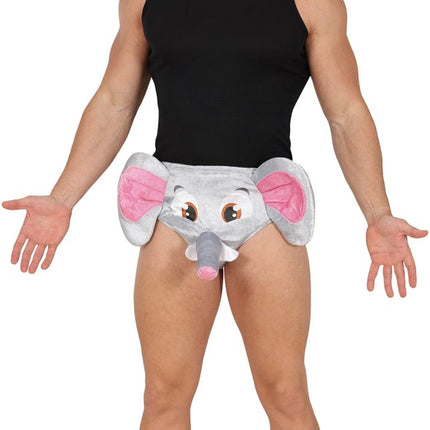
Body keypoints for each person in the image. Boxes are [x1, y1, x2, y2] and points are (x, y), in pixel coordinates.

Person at [2, 0, 427, 429]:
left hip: (263, 205)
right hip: (175, 206)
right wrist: (62, 198)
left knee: (285, 392)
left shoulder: (313, 4)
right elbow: (115, 101)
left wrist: (378, 213)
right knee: (162, 396)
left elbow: (346, 114)